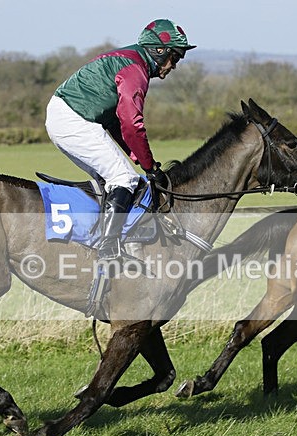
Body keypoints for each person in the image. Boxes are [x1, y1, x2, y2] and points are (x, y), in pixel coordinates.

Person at [45, 19, 196, 261]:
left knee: (113, 181)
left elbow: (117, 124)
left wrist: (142, 161)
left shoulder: (129, 59)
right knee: (124, 179)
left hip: (66, 116)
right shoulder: (135, 72)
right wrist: (149, 167)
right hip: (74, 120)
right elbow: (132, 125)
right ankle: (109, 249)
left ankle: (99, 239)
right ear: (159, 51)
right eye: (175, 57)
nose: (174, 65)